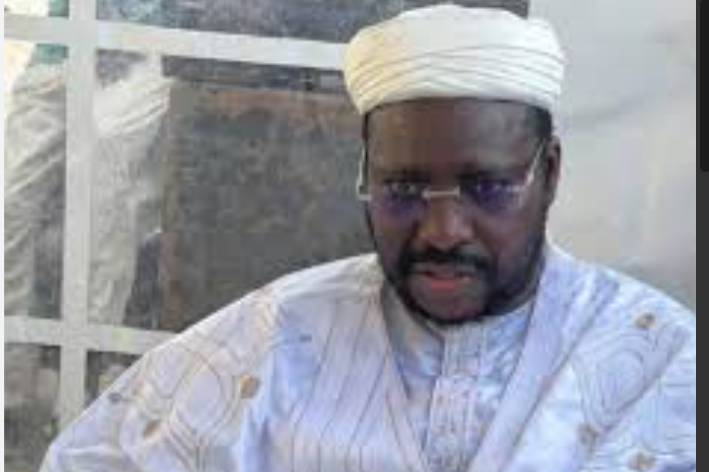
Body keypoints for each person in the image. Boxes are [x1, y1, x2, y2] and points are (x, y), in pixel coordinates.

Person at [40, 5, 696, 472]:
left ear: (547, 174)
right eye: (403, 189)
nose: (443, 231)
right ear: (366, 175)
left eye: (487, 188)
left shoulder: (658, 361)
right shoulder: (275, 338)